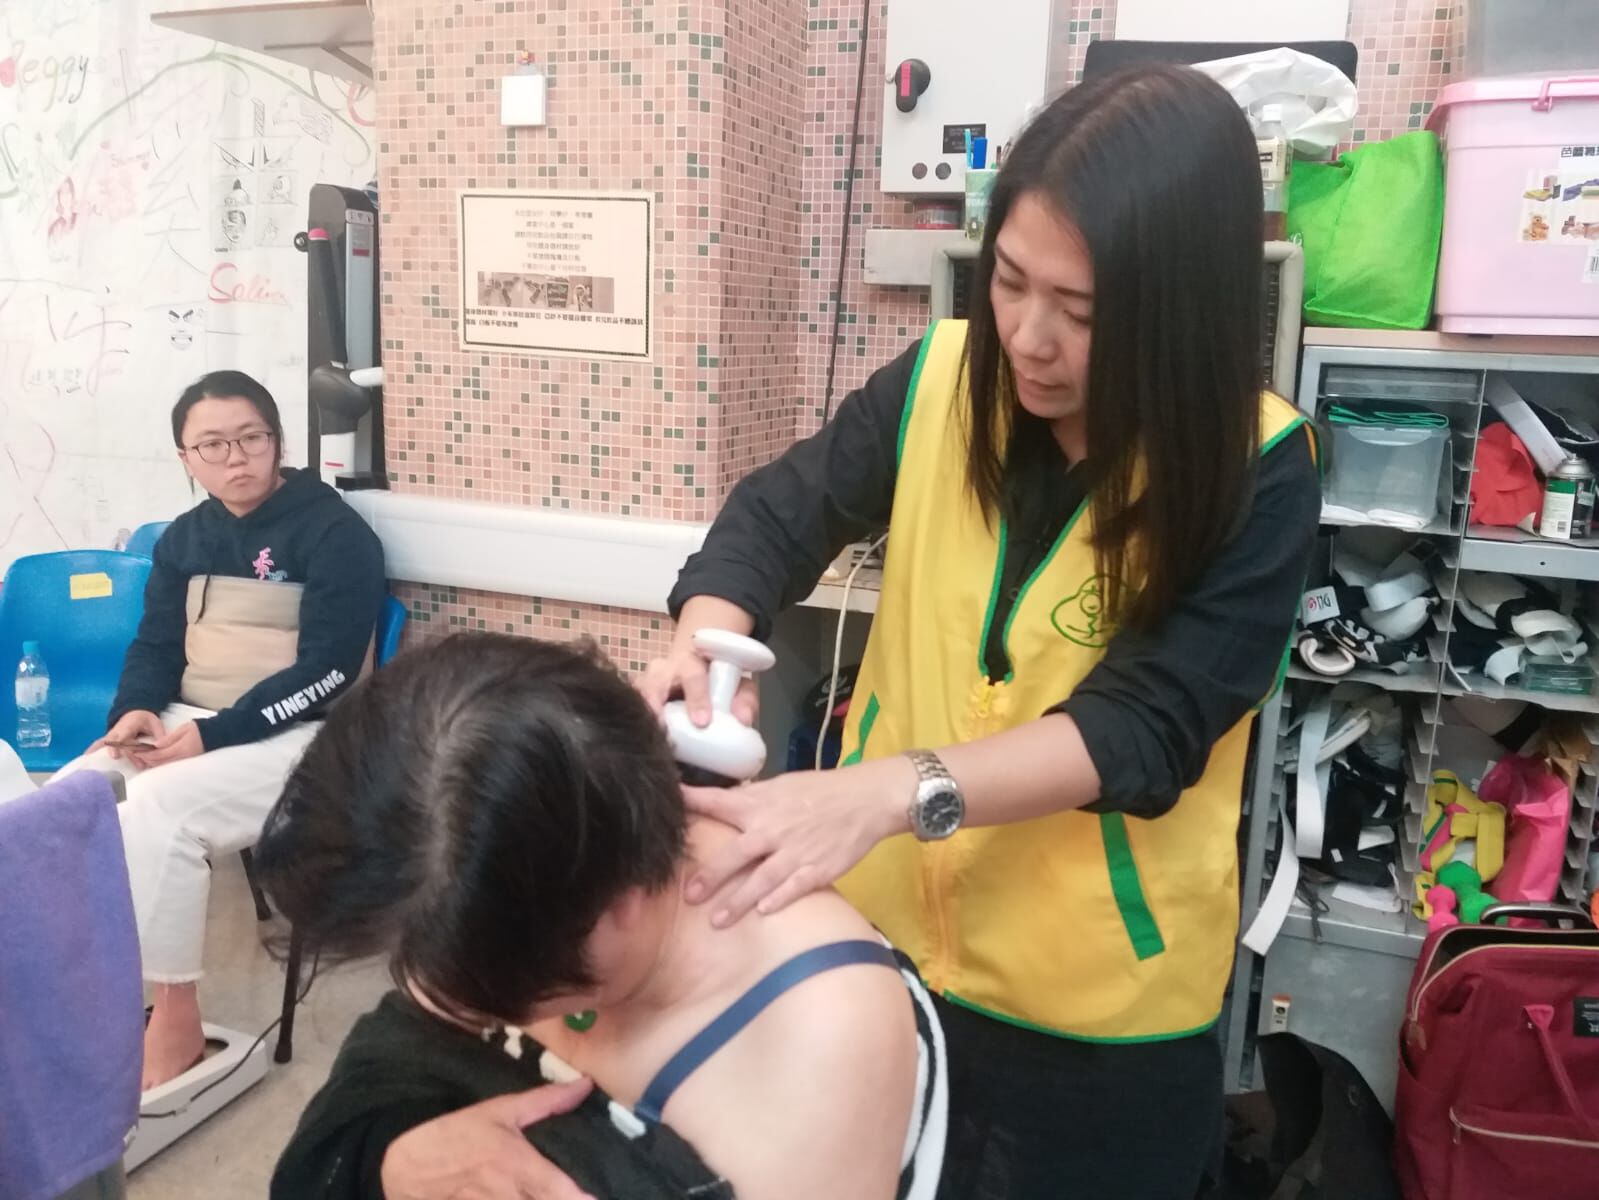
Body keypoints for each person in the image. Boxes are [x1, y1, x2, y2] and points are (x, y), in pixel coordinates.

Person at [642, 64, 1322, 1199]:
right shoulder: (944, 376)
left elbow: (1145, 728)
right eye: (1008, 280)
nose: (1029, 337)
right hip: (877, 950)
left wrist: (878, 794)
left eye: (1083, 312)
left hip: (1099, 1015)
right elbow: (775, 516)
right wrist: (707, 643)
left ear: (1180, 310)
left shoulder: (1258, 467)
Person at [257, 633, 945, 1200]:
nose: (453, 998)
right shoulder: (475, 881)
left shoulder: (819, 1031)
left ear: (620, 900)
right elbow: (383, 1076)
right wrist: (396, 1159)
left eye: (512, 994)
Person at [54, 369, 386, 1090]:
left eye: (250, 439)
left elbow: (329, 671)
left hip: (303, 734)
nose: (235, 458)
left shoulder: (335, 535)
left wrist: (217, 734)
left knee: (160, 811)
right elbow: (155, 645)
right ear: (186, 457)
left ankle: (175, 1015)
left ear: (277, 442)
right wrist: (134, 711)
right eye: (212, 445)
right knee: (66, 804)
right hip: (187, 717)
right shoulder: (186, 538)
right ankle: (83, 997)